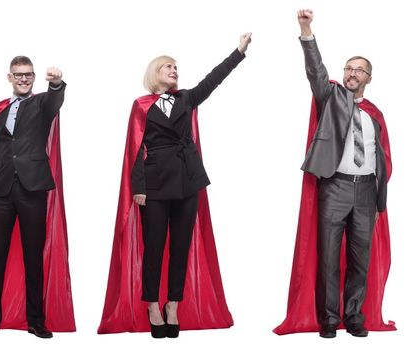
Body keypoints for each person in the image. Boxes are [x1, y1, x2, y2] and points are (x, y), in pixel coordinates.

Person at [103, 33, 250, 339]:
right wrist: (138, 188)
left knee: (181, 248)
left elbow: (213, 79)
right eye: (167, 66)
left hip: (187, 180)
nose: (174, 70)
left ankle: (173, 305)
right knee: (154, 248)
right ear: (154, 73)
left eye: (175, 67)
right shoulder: (141, 105)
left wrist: (238, 51)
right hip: (154, 184)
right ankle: (152, 305)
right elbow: (134, 148)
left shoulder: (186, 98)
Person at [274, 9, 395, 338]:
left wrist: (380, 189)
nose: (353, 73)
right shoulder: (331, 97)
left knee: (360, 259)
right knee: (328, 256)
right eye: (349, 68)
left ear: (369, 78)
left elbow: (383, 156)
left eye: (360, 70)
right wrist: (306, 30)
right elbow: (316, 70)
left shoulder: (375, 115)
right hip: (336, 187)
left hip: (366, 192)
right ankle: (329, 318)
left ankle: (354, 315)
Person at [0, 56, 65, 339]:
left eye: (28, 75)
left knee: (33, 257)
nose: (23, 79)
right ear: (9, 77)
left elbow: (55, 101)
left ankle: (36, 321)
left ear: (34, 77)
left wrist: (56, 84)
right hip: (0, 192)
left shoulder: (41, 105)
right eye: (18, 75)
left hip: (32, 190)